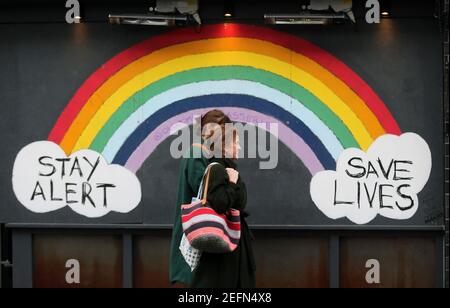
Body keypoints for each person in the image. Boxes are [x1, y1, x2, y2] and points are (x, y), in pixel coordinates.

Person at [169, 109, 256, 288]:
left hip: (210, 232)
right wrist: (229, 183)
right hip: (201, 229)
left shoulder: (209, 155)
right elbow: (211, 196)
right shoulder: (198, 153)